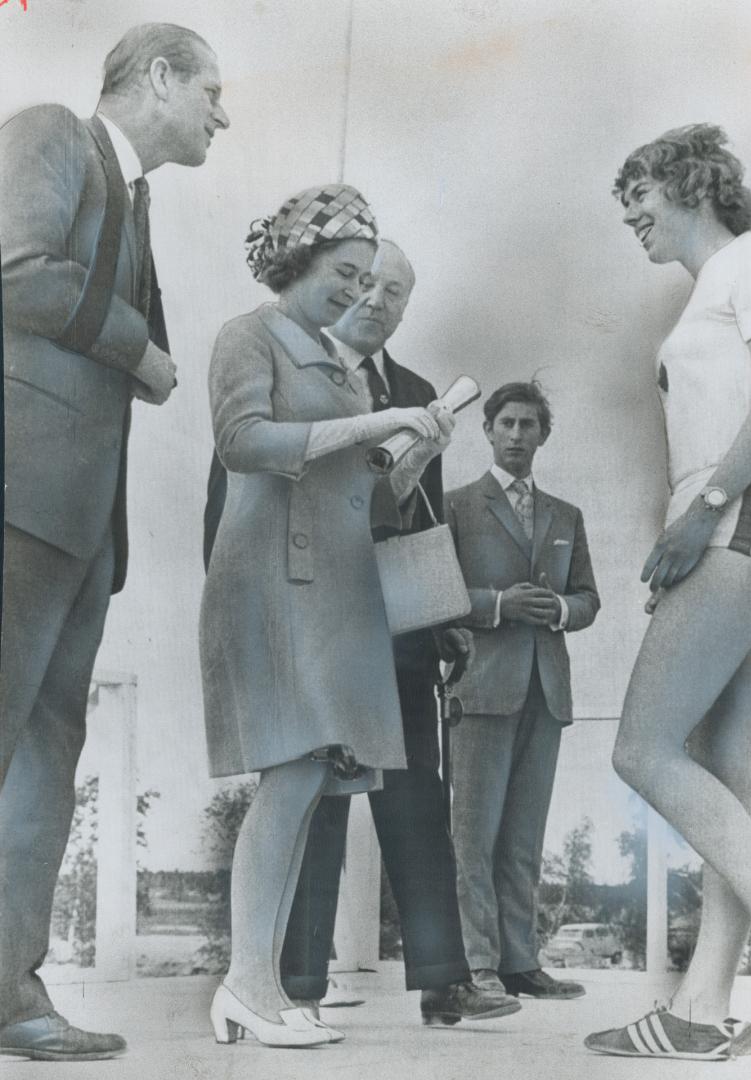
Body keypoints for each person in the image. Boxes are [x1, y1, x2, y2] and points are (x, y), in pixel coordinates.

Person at [0, 23, 229, 1061]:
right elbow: (16, 270)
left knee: (45, 760)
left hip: (79, 526)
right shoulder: (50, 131)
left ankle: (12, 998)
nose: (222, 115)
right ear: (160, 76)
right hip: (19, 500)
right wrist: (141, 348)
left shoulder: (134, 197)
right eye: (212, 92)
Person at [200, 188, 454, 1049]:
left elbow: (365, 499)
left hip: (338, 592)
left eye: (366, 279)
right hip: (273, 579)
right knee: (288, 778)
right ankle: (247, 984)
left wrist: (410, 455)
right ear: (298, 262)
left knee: (308, 783)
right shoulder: (250, 334)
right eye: (344, 274)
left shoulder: (337, 365)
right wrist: (375, 418)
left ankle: (257, 986)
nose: (355, 293)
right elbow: (242, 442)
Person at [273, 240, 521, 1027]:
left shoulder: (416, 391)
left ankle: (444, 981)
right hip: (315, 619)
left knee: (418, 799)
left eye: (399, 294)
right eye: (370, 284)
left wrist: (444, 616)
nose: (381, 301)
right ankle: (297, 986)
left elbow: (421, 519)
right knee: (314, 797)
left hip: (399, 627)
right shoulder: (296, 373)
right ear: (340, 286)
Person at [585, 123, 751, 1062]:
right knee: (727, 765)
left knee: (642, 750)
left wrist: (702, 512)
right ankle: (701, 1007)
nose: (630, 214)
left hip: (735, 528)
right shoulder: (716, 283)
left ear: (692, 184)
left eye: (640, 192)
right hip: (736, 532)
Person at [445, 381, 600, 1003]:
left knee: (524, 837)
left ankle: (520, 963)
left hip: (547, 690)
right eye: (505, 423)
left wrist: (560, 608)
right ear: (486, 430)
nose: (515, 434)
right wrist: (497, 605)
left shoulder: (567, 516)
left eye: (528, 425)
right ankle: (478, 967)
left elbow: (589, 598)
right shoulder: (456, 506)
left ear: (543, 435)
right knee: (473, 837)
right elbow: (434, 596)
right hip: (480, 688)